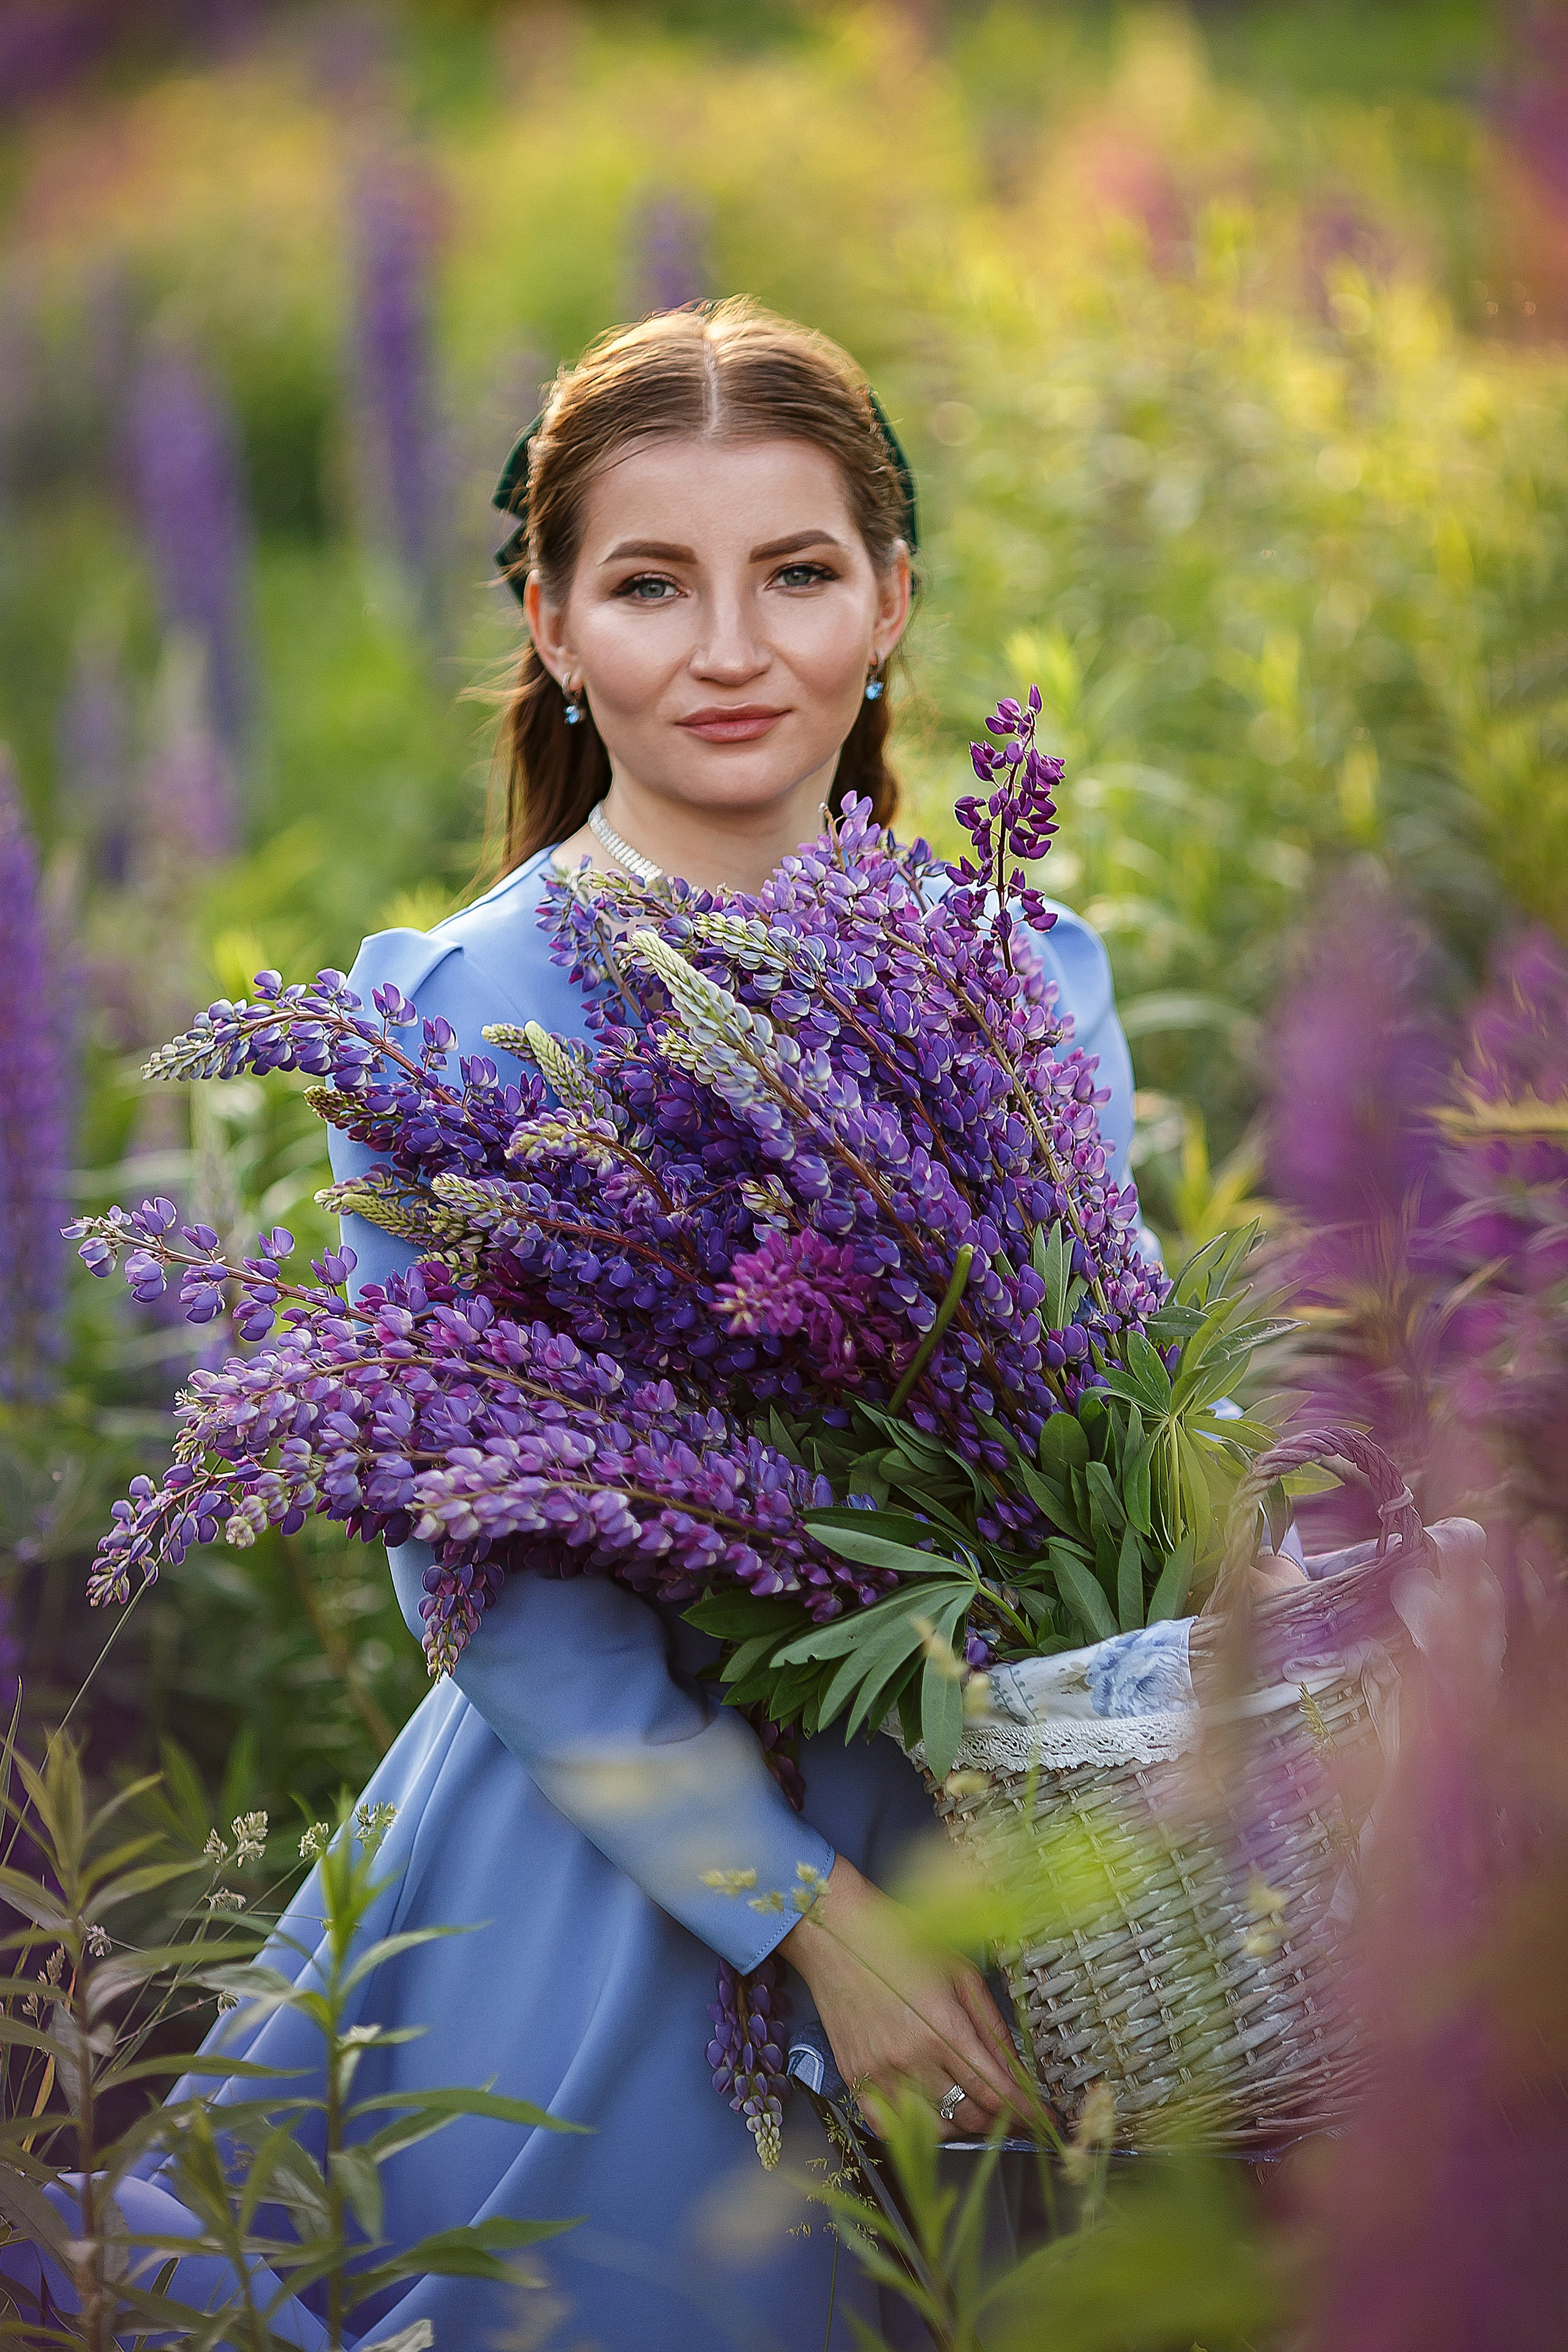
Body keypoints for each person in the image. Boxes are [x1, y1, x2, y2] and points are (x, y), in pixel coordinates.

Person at [91, 301, 1143, 2350]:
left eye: (801, 573)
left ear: (894, 600)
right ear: (555, 624)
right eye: (654, 584)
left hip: (992, 1842)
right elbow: (494, 1594)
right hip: (631, 1883)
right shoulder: (459, 1026)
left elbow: (1117, 1429)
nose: (733, 649)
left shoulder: (1028, 984)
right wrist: (806, 1919)